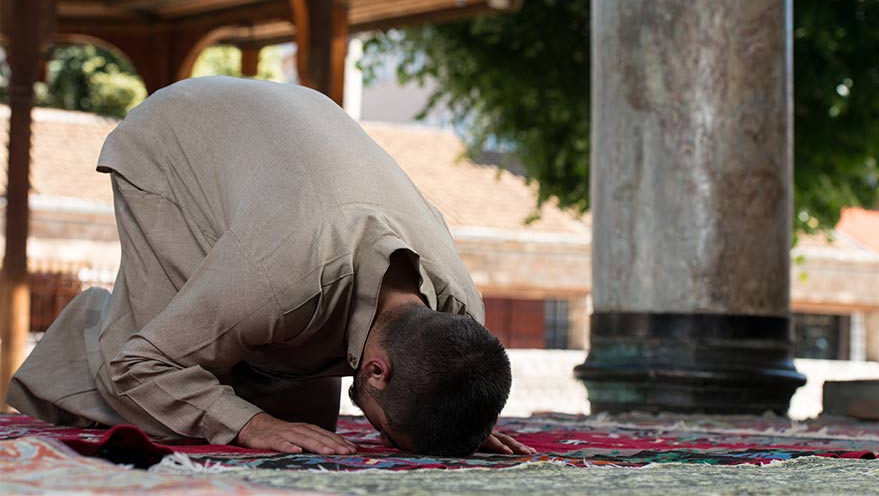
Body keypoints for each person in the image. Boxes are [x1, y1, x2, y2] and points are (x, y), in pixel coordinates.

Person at [7, 76, 533, 457]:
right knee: (166, 398)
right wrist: (250, 424)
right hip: (178, 141)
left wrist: (459, 419)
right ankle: (93, 328)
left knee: (305, 427)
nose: (382, 439)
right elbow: (142, 368)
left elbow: (446, 373)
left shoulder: (462, 308)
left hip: (286, 139)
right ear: (376, 370)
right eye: (389, 435)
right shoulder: (281, 275)